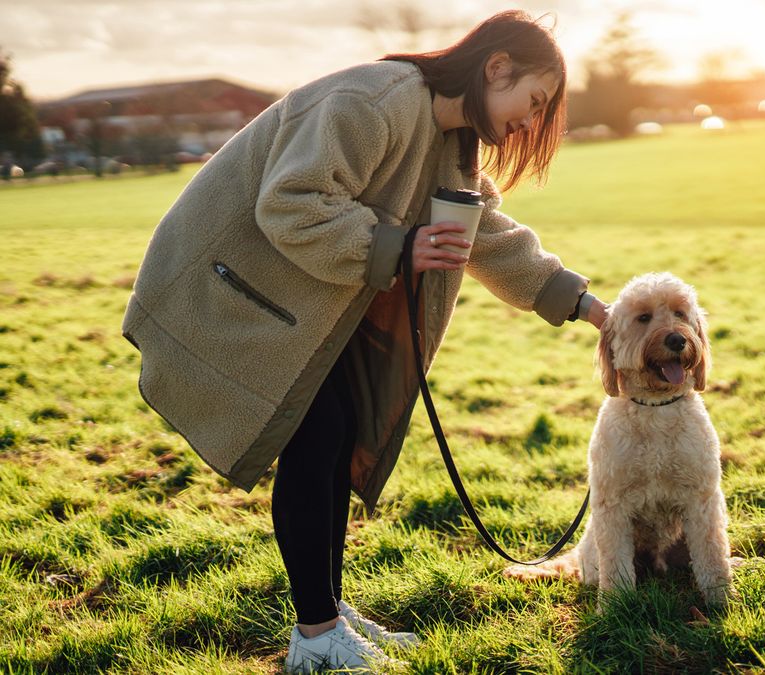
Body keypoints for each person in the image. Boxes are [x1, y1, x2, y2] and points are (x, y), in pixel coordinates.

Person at [121, 11, 605, 673]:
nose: (529, 120)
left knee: (336, 431)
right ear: (497, 68)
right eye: (534, 100)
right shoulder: (375, 102)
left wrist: (586, 305)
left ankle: (326, 614)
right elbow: (290, 201)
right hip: (221, 285)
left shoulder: (450, 142)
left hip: (284, 300)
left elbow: (487, 235)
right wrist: (397, 244)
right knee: (317, 434)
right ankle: (316, 639)